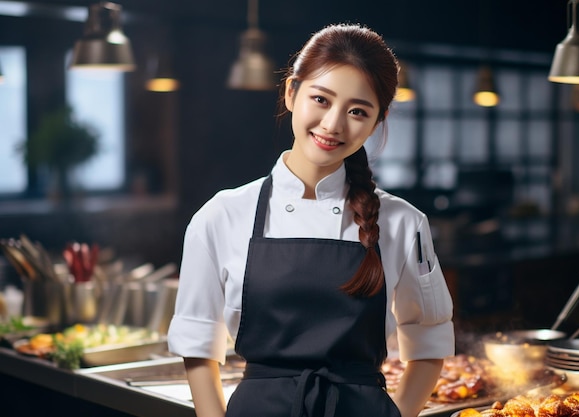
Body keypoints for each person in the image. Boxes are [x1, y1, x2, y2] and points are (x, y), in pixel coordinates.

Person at [167, 23, 455, 417]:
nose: (333, 124)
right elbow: (198, 346)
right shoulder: (222, 215)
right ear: (291, 92)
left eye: (358, 111)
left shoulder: (404, 223)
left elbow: (429, 341)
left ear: (378, 120)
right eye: (321, 99)